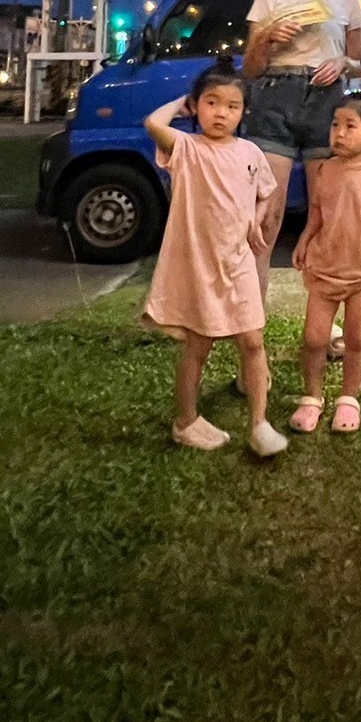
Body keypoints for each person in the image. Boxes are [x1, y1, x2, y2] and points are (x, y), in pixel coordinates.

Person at [142, 56, 288, 457]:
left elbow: (266, 191)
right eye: (211, 102)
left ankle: (259, 424)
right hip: (201, 269)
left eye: (232, 106)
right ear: (197, 105)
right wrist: (181, 104)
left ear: (244, 113)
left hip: (238, 263)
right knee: (199, 346)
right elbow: (153, 124)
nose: (221, 113)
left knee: (253, 341)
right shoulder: (187, 149)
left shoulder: (250, 152)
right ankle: (186, 421)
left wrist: (256, 217)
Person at [241, 0, 361, 311]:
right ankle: (252, 320)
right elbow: (250, 68)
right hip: (275, 95)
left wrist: (343, 63)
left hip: (327, 100)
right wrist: (267, 38)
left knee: (325, 215)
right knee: (266, 215)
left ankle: (323, 320)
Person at [289, 94, 361, 433]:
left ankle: (348, 398)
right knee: (314, 338)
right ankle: (312, 397)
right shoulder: (325, 170)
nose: (339, 133)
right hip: (324, 270)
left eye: (349, 126)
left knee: (356, 340)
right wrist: (304, 239)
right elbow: (317, 212)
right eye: (335, 125)